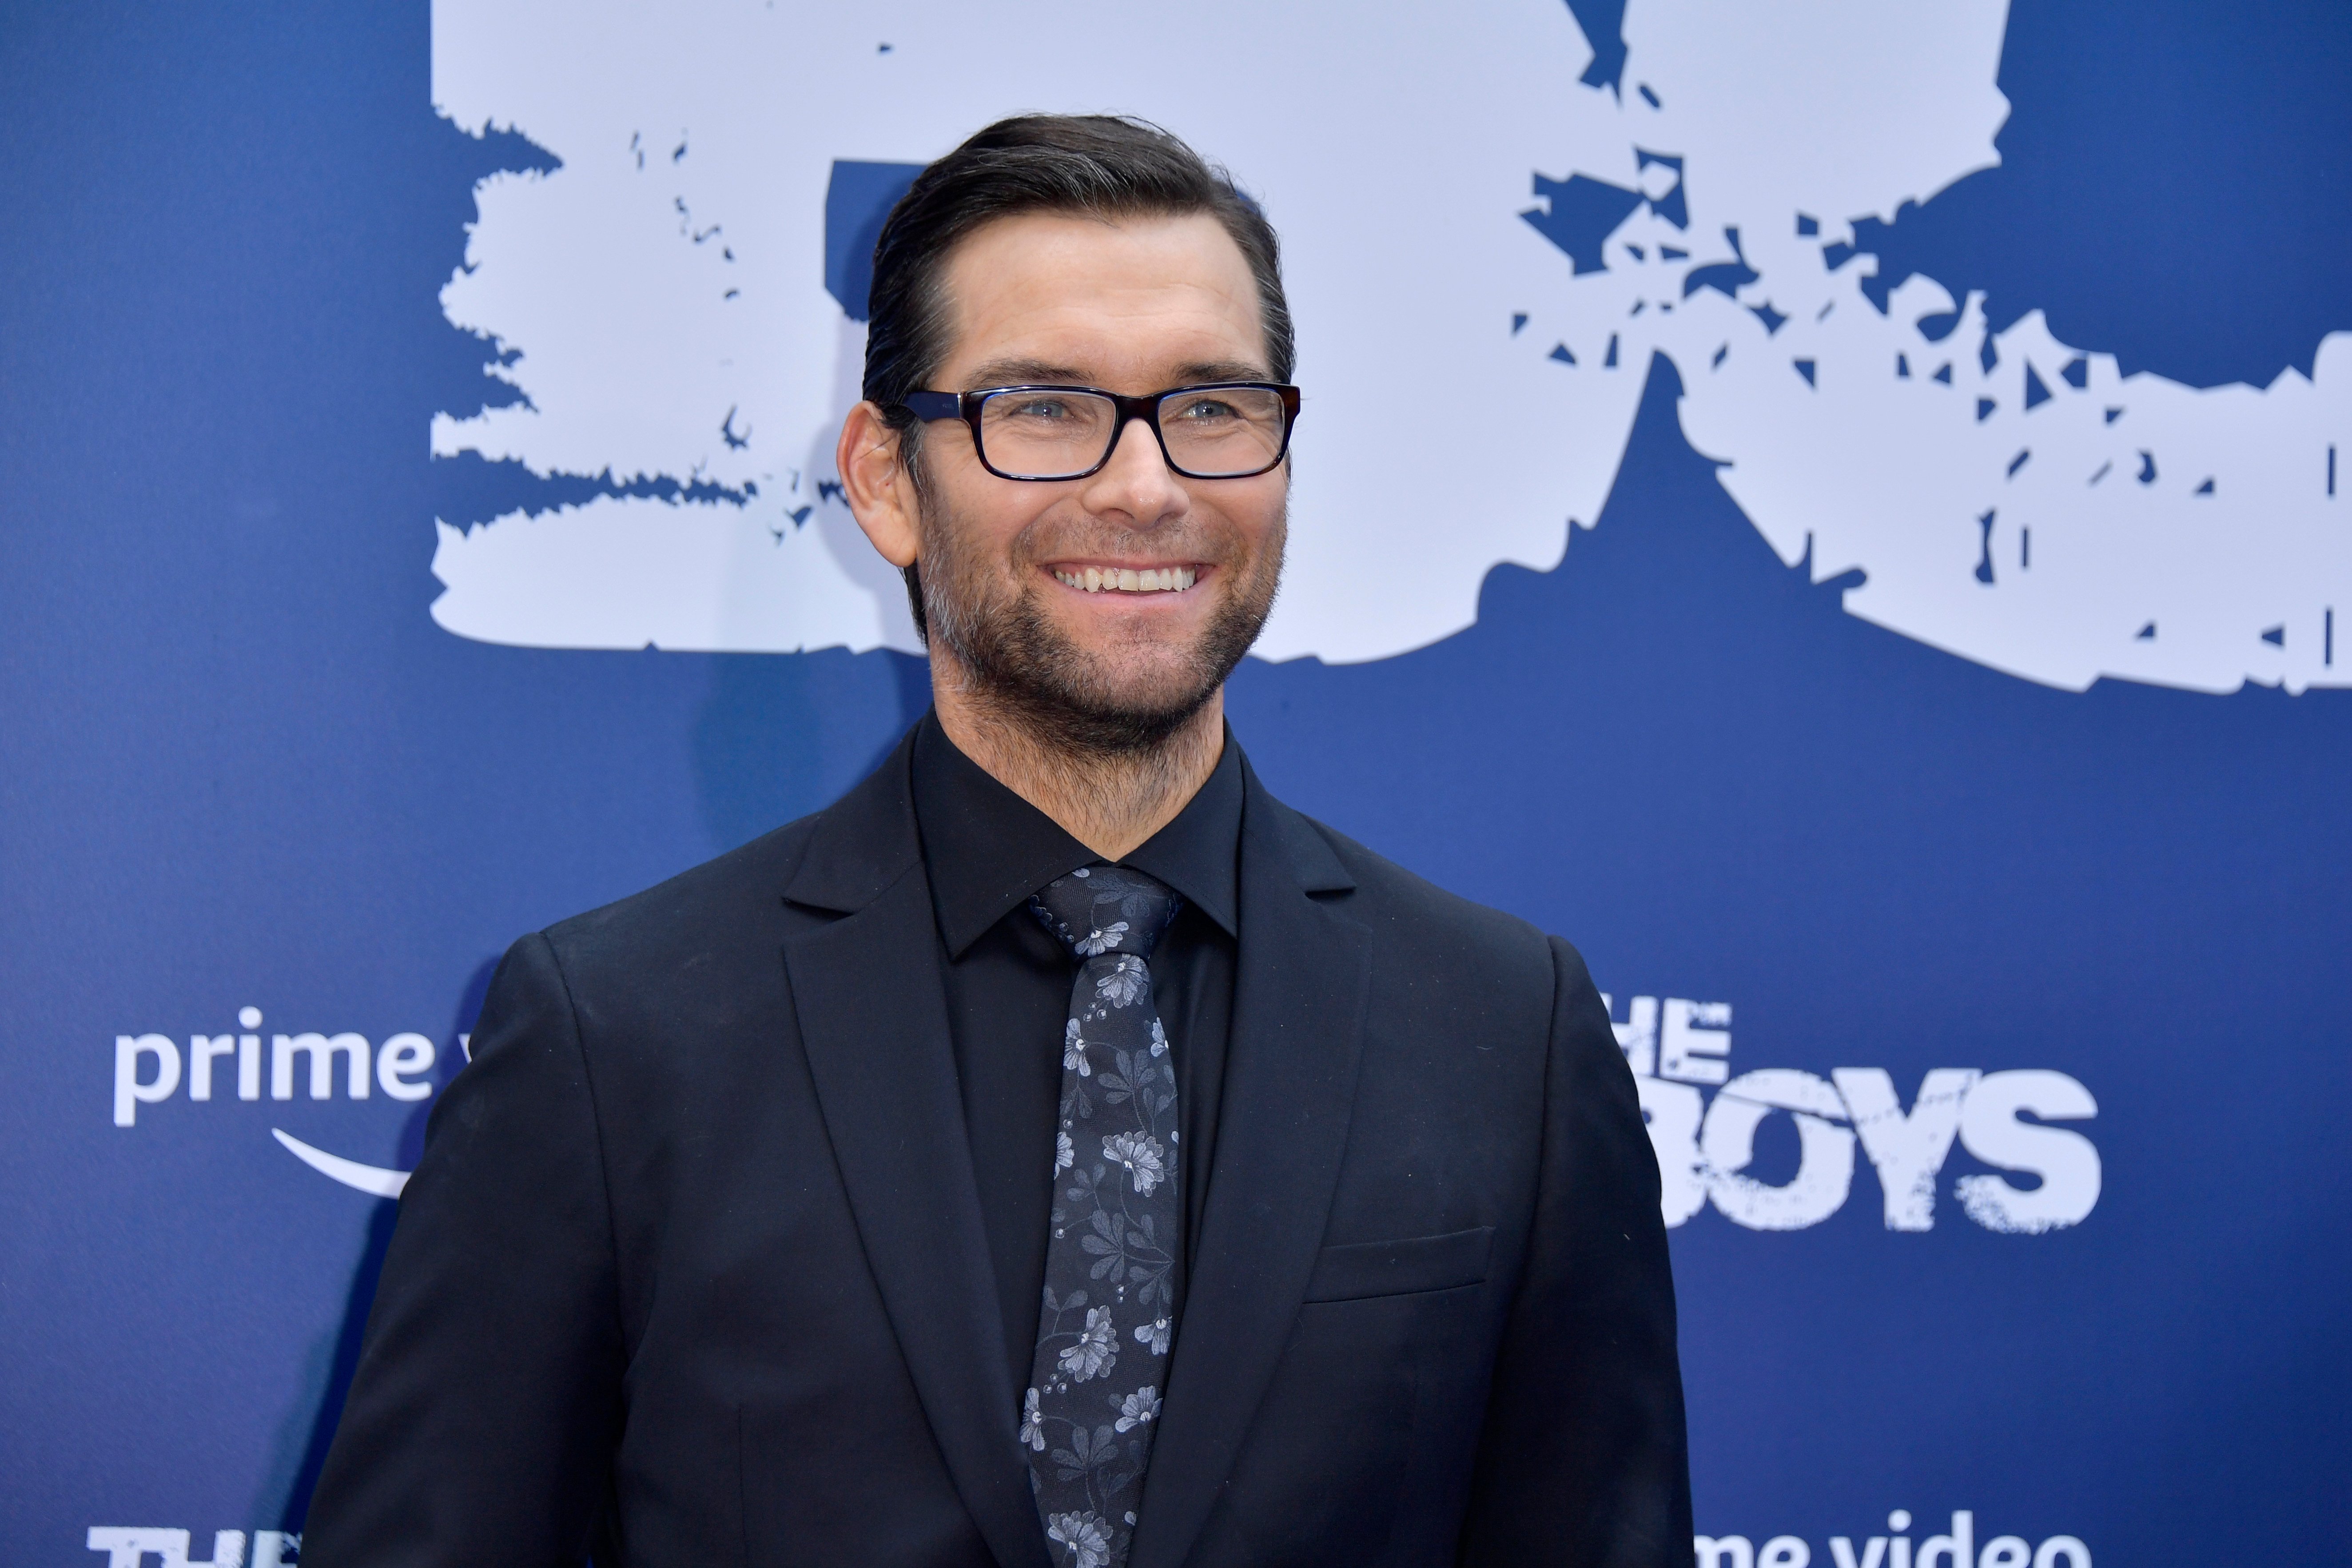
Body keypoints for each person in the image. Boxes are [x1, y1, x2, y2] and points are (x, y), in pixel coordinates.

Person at [304, 114, 1690, 1568]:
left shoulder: (1503, 1029)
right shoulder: (615, 1034)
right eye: (1043, 406)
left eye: (1212, 406)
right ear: (887, 478)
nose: (1148, 485)